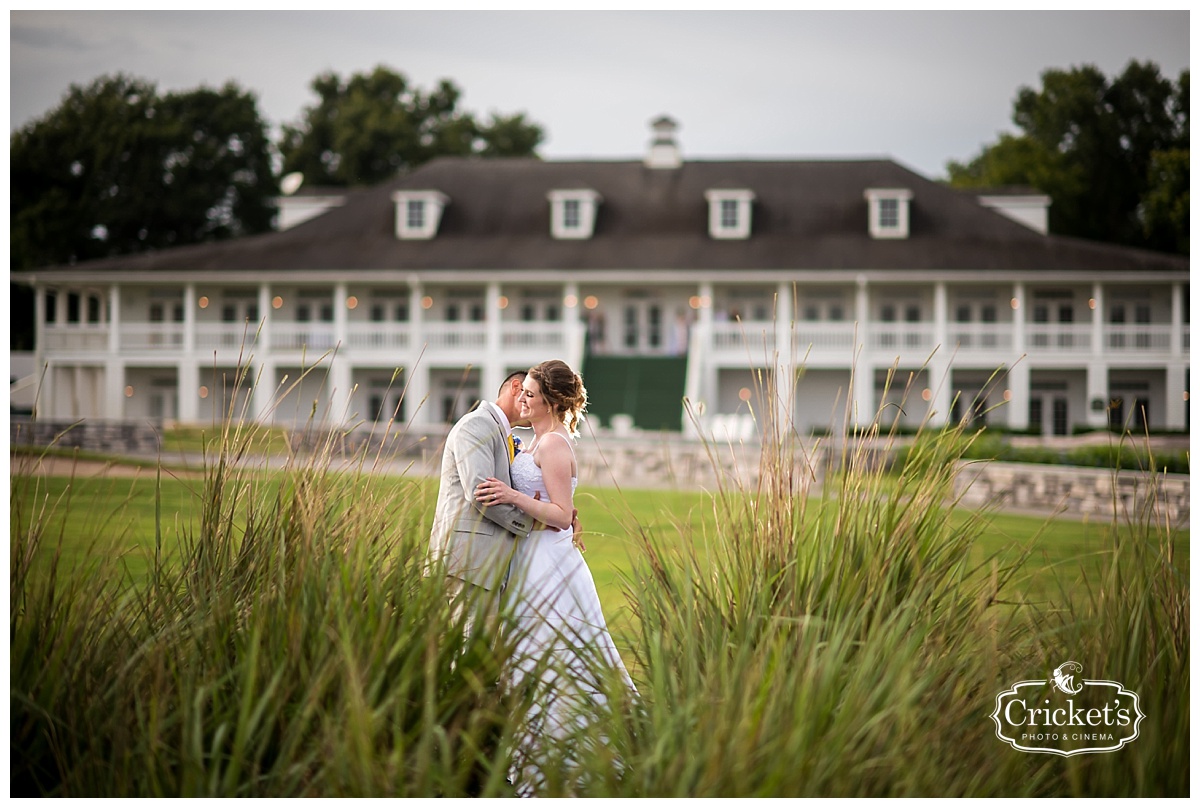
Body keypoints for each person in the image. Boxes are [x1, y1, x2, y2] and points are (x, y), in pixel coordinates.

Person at [474, 359, 635, 794]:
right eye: (522, 391)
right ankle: (534, 757)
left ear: (551, 400)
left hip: (549, 564)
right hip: (531, 557)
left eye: (529, 393)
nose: (521, 399)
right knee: (529, 658)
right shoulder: (534, 440)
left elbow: (561, 516)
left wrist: (509, 494)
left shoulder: (555, 446)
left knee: (557, 656)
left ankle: (573, 760)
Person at [428, 371, 536, 633]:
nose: (534, 404)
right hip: (469, 562)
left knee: (480, 656)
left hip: (487, 565)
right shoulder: (476, 425)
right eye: (531, 394)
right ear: (516, 387)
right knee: (471, 657)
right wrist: (535, 523)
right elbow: (482, 493)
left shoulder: (504, 434)